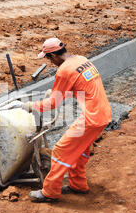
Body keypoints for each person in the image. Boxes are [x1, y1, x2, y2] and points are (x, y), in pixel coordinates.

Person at [22, 38, 111, 202]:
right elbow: (82, 88)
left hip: (91, 118)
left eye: (49, 59)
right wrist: (60, 92)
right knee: (80, 150)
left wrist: (30, 105)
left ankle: (49, 192)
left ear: (54, 56)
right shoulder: (81, 60)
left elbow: (52, 104)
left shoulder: (64, 70)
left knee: (60, 151)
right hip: (103, 114)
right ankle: (78, 185)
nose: (51, 62)